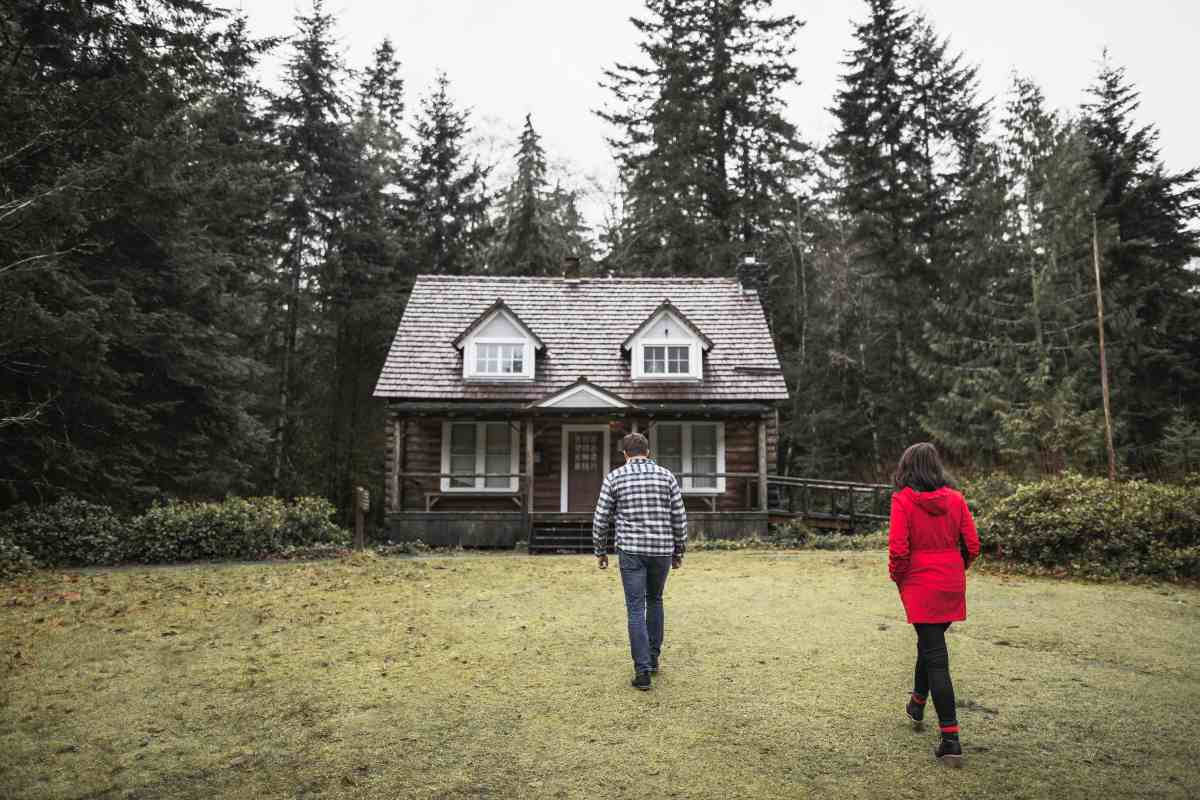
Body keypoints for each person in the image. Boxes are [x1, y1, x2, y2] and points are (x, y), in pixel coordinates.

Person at [888, 442, 980, 767]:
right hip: (949, 582)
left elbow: (899, 550)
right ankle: (916, 702)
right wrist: (956, 568)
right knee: (930, 646)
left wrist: (898, 578)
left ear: (907, 468)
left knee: (936, 658)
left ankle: (951, 739)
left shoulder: (902, 501)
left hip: (920, 582)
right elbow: (972, 545)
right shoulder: (956, 499)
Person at [592, 432, 687, 691]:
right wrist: (679, 550)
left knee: (635, 608)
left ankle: (642, 670)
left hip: (631, 551)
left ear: (625, 453)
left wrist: (600, 551)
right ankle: (653, 659)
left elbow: (601, 518)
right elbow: (679, 517)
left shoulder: (614, 477)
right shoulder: (667, 476)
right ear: (648, 452)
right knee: (655, 600)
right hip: (661, 550)